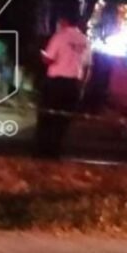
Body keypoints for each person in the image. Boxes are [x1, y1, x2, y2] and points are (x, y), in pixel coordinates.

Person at [36, 11, 90, 157]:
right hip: (73, 85)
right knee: (63, 120)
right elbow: (87, 66)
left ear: (64, 21)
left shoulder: (60, 36)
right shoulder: (84, 40)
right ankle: (55, 151)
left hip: (55, 84)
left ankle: (42, 152)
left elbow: (48, 59)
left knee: (47, 117)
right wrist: (82, 87)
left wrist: (41, 53)